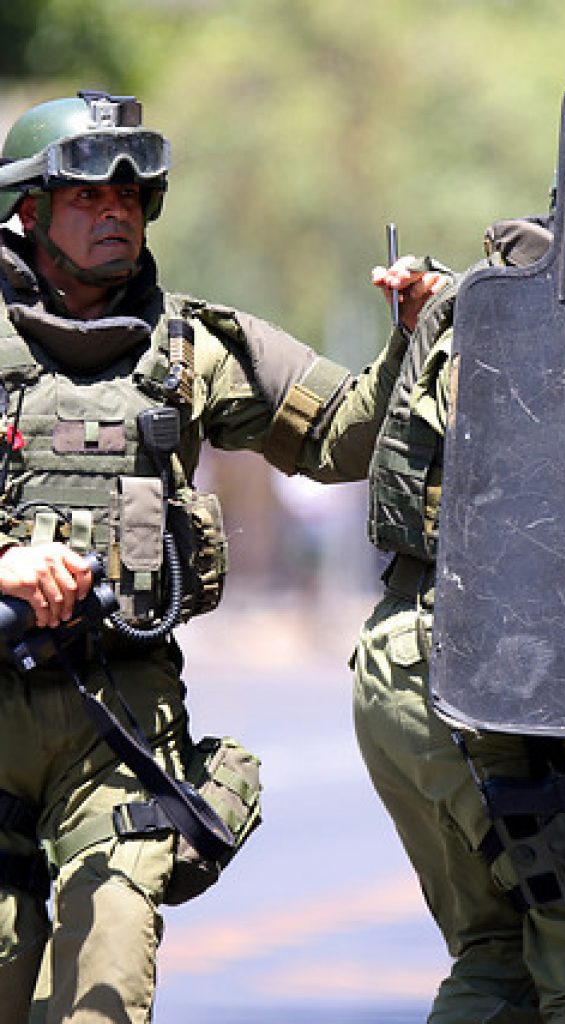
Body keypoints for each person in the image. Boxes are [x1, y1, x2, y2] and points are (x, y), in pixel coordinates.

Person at [0, 89, 439, 1023]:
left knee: (104, 984)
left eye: (131, 197)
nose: (116, 214)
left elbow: (343, 436)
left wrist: (410, 338)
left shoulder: (191, 346)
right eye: (89, 197)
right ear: (30, 211)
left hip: (114, 728)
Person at [358, 215, 565, 1022]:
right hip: (482, 679)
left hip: (413, 662)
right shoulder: (564, 333)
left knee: (503, 954)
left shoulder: (490, 307)